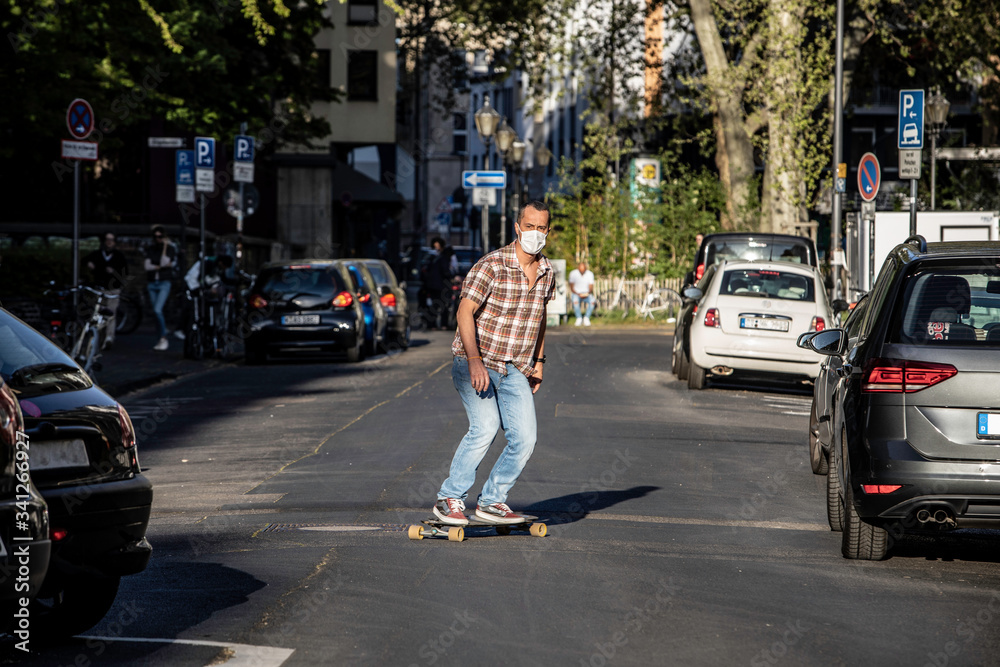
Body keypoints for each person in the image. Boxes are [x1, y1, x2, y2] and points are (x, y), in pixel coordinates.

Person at [433, 200, 556, 526]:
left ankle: (492, 501)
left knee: (525, 438)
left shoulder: (546, 271)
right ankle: (449, 498)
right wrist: (474, 361)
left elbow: (540, 317)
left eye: (541, 228)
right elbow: (464, 312)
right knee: (485, 427)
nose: (535, 233)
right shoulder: (492, 265)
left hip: (515, 366)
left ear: (548, 231)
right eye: (530, 226)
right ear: (517, 227)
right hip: (477, 360)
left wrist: (539, 361)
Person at [83, 231, 128, 349]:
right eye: (107, 239)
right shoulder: (97, 254)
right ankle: (99, 337)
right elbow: (83, 260)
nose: (109, 242)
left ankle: (109, 337)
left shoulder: (118, 256)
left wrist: (114, 272)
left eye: (111, 240)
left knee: (111, 313)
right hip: (99, 289)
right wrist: (89, 264)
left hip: (113, 289)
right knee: (98, 314)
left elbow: (125, 272)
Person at [178, 255, 235, 341]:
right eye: (225, 267)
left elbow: (223, 280)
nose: (225, 269)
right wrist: (209, 288)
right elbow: (201, 278)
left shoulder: (216, 266)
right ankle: (183, 329)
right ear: (221, 263)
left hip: (200, 289)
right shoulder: (208, 263)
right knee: (192, 309)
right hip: (193, 286)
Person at [144, 226, 177, 351]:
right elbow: (147, 266)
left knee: (158, 310)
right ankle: (160, 338)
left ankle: (163, 338)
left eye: (160, 236)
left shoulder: (170, 249)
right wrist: (159, 266)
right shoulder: (151, 249)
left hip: (164, 282)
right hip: (152, 282)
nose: (158, 239)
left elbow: (164, 262)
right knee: (156, 312)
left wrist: (164, 247)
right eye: (156, 237)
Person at [425, 237, 459, 330]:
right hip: (442, 285)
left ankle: (432, 325)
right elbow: (446, 271)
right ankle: (443, 324)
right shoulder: (444, 258)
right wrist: (451, 278)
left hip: (432, 285)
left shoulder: (432, 257)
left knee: (434, 305)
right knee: (443, 305)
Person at [568, 260, 595, 326]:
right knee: (575, 301)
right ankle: (579, 318)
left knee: (592, 301)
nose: (582, 271)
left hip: (586, 293)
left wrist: (587, 293)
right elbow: (572, 287)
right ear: (578, 268)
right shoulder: (573, 274)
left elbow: (591, 287)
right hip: (576, 293)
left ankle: (586, 318)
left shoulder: (590, 274)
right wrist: (578, 294)